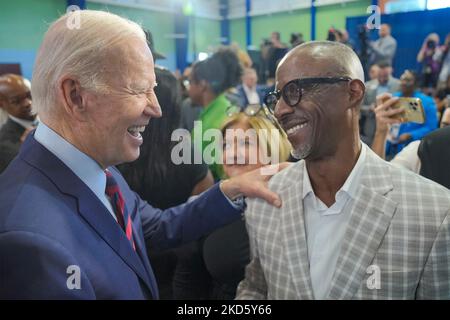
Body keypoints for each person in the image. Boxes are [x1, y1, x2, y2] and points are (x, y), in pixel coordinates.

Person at [0, 10, 285, 299]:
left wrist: (231, 188)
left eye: (154, 89)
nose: (156, 109)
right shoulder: (31, 243)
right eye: (139, 89)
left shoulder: (98, 170)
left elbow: (157, 228)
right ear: (75, 96)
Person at [236, 41, 450, 300]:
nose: (281, 110)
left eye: (295, 90)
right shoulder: (266, 200)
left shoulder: (433, 212)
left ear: (352, 92)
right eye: (277, 97)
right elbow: (256, 290)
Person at [174, 109, 292, 299]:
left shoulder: (295, 201)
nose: (232, 153)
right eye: (226, 145)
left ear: (272, 150)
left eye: (246, 143)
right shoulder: (206, 206)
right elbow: (188, 281)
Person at [117, 67, 214, 299]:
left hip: (128, 262)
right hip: (181, 266)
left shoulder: (117, 153)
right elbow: (204, 208)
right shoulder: (188, 155)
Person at [189, 47, 243, 180]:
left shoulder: (217, 121)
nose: (188, 88)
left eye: (190, 82)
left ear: (202, 85)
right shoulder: (215, 110)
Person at [385, 70, 438, 159]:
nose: (404, 82)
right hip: (389, 147)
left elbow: (432, 128)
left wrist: (411, 135)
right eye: (402, 79)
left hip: (413, 149)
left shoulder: (427, 102)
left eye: (408, 80)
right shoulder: (393, 98)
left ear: (416, 83)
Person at [0, 74, 37, 173]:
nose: (28, 103)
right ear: (2, 104)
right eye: (16, 101)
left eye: (30, 96)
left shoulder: (51, 119)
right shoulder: (4, 144)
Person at [360, 60, 400, 145]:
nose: (382, 78)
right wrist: (369, 108)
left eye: (385, 76)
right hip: (370, 128)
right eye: (379, 76)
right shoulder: (367, 85)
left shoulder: (399, 85)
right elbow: (359, 106)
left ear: (391, 71)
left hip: (392, 128)